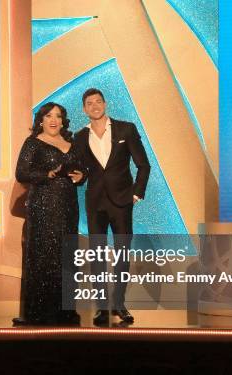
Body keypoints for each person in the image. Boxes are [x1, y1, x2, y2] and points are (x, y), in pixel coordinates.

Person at [74, 88, 150, 325]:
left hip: (122, 201)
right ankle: (102, 307)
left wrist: (136, 194)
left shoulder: (126, 129)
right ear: (84, 109)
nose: (95, 106)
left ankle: (119, 303)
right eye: (89, 103)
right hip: (95, 203)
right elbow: (84, 171)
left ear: (105, 104)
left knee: (122, 253)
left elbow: (143, 165)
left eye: (98, 101)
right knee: (96, 254)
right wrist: (79, 177)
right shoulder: (79, 136)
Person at [13, 102, 87, 326]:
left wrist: (81, 176)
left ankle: (65, 313)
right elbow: (21, 173)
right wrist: (48, 173)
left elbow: (82, 169)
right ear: (41, 120)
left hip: (68, 208)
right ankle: (39, 314)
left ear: (63, 120)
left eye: (58, 116)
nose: (54, 120)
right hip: (43, 207)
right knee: (44, 257)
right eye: (48, 116)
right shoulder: (33, 143)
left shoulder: (71, 144)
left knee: (66, 257)